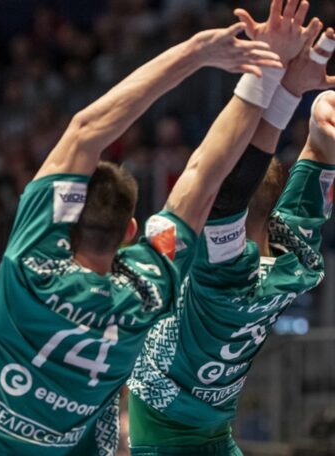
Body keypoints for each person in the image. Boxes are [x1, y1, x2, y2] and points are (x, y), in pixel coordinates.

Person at [0, 2, 309, 453]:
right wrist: (263, 76)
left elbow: (85, 130)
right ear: (131, 230)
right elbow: (202, 178)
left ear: (63, 229)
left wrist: (197, 52)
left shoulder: (30, 265)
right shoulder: (146, 285)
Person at [127, 21, 335, 455]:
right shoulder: (291, 255)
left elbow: (230, 182)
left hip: (165, 439)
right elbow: (320, 149)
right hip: (216, 431)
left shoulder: (223, 269)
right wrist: (315, 108)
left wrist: (288, 87)